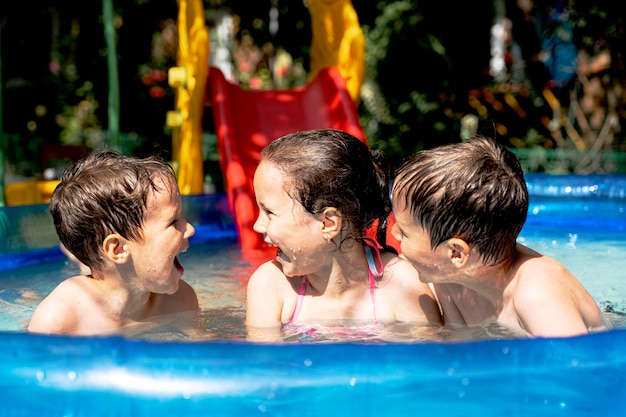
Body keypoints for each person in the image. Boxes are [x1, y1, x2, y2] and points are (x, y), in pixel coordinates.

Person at [390, 136, 609, 338]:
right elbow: (457, 352)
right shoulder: (451, 281)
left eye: (404, 232)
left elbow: (578, 373)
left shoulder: (538, 297)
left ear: (456, 253)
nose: (393, 233)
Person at [245, 129, 442, 341]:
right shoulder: (271, 286)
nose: (258, 225)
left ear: (328, 223)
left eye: (269, 213)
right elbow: (264, 367)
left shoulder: (401, 284)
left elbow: (428, 361)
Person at [27, 150, 200, 336]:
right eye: (173, 221)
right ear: (118, 249)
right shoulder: (61, 318)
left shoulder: (180, 301)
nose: (190, 229)